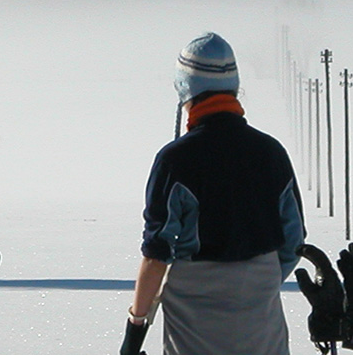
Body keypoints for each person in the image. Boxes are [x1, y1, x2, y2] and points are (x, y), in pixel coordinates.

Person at [123, 33, 306, 355]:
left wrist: (135, 329)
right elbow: (293, 239)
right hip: (261, 319)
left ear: (185, 89)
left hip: (193, 321)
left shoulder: (175, 160)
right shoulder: (270, 152)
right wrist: (256, 286)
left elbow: (156, 255)